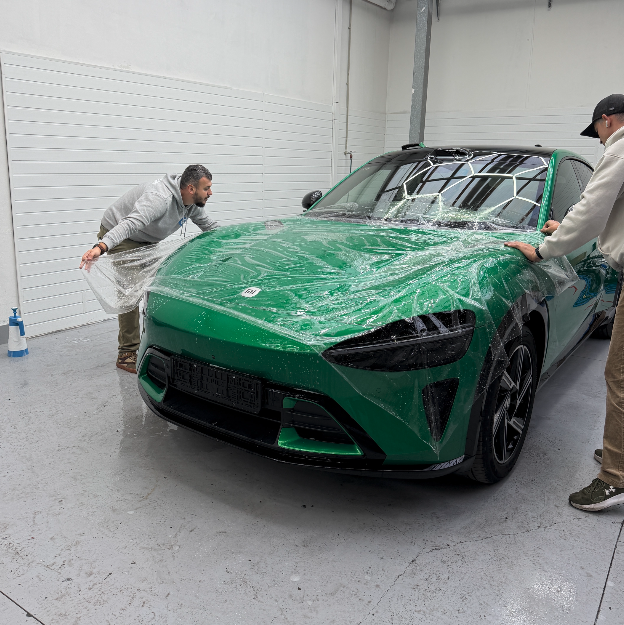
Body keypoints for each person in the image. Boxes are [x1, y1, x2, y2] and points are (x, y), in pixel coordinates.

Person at [505, 94, 624, 511]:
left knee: (620, 375)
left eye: (598, 132)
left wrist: (544, 250)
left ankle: (615, 477)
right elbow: (612, 214)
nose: (600, 140)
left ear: (607, 120)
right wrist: (565, 226)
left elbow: (592, 209)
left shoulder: (620, 148)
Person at [79, 164, 217, 373]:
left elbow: (211, 228)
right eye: (206, 188)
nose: (210, 193)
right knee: (130, 291)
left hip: (146, 240)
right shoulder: (159, 198)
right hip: (121, 235)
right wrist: (101, 247)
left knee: (158, 285)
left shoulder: (191, 204)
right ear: (191, 188)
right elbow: (130, 224)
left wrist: (238, 241)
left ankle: (154, 340)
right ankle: (126, 353)